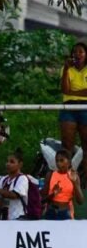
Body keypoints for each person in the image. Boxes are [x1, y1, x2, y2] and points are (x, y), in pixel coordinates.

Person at [59, 41, 87, 173]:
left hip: (85, 108)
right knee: (67, 145)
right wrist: (65, 69)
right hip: (68, 108)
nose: (77, 54)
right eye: (75, 52)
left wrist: (72, 92)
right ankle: (66, 180)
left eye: (81, 51)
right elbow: (64, 89)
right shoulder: (67, 69)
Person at [42, 149, 84, 219]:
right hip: (51, 212)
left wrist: (74, 183)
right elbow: (43, 199)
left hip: (65, 212)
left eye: (61, 160)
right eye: (57, 161)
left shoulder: (74, 176)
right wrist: (53, 194)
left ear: (69, 162)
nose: (58, 163)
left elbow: (80, 201)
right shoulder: (50, 175)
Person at [0, 150, 30, 220]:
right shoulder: (4, 179)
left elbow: (14, 195)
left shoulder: (22, 178)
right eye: (7, 161)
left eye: (12, 162)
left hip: (18, 217)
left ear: (20, 164)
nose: (8, 164)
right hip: (4, 218)